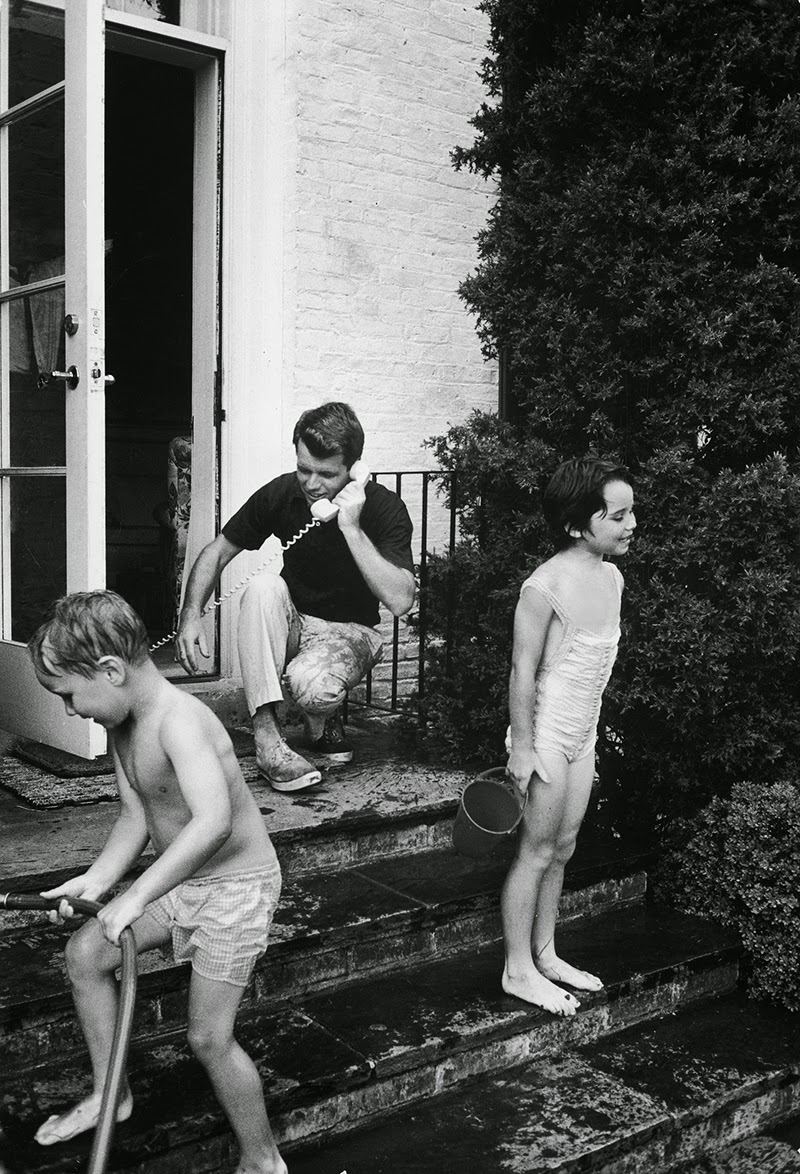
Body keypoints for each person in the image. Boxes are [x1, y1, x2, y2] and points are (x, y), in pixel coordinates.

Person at [28, 591, 287, 1174]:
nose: (70, 712)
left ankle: (262, 1158)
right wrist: (96, 882)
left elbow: (213, 821)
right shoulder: (124, 725)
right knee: (86, 952)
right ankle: (109, 1095)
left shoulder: (181, 720)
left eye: (68, 695)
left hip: (235, 891)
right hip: (181, 884)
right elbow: (136, 816)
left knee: (208, 1038)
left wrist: (137, 895)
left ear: (111, 671)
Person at [175, 401, 416, 793]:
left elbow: (402, 600)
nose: (311, 484)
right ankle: (268, 739)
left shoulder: (384, 507)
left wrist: (351, 528)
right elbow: (218, 550)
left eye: (326, 474)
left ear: (354, 469)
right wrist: (190, 614)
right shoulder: (284, 493)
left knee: (312, 687)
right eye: (304, 469)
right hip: (295, 623)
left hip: (351, 632)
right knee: (263, 587)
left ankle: (322, 717)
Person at [502, 456, 636, 1016]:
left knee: (563, 848)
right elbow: (522, 672)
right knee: (534, 851)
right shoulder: (543, 586)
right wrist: (525, 748)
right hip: (547, 736)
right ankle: (517, 969)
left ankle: (546, 953)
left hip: (582, 736)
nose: (632, 524)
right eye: (619, 515)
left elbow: (594, 677)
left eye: (632, 512)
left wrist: (594, 742)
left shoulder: (612, 577)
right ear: (579, 523)